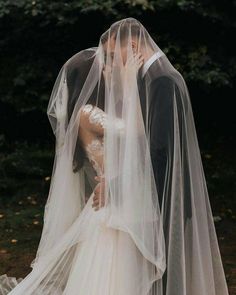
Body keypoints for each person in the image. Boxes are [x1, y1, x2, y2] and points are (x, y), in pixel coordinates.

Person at [0, 18, 229, 295]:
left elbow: (156, 149)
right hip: (118, 202)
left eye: (111, 58)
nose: (110, 67)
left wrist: (130, 86)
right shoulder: (91, 113)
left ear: (131, 46)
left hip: (134, 196)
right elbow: (137, 136)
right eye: (104, 65)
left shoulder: (160, 82)